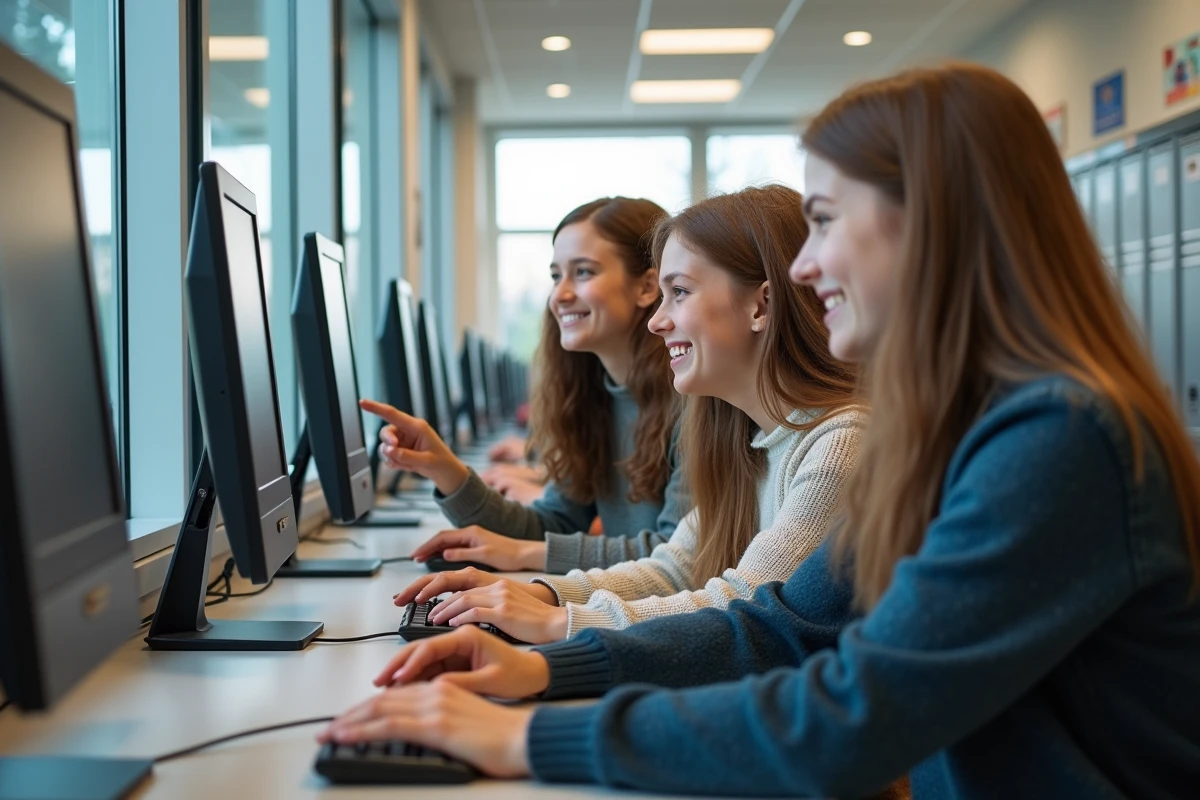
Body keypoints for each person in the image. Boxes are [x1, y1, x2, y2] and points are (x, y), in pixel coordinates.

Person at [321, 63, 1200, 798]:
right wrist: (551, 667)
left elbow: (850, 715)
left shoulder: (1058, 440)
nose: (806, 267)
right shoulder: (948, 434)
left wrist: (527, 738)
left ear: (930, 221)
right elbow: (783, 626)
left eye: (824, 221)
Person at [390, 186, 864, 645]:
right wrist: (538, 594)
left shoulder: (839, 444)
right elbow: (674, 567)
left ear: (761, 305)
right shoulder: (742, 435)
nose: (658, 320)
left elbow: (746, 611)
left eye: (680, 292)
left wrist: (560, 620)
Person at [361, 197, 688, 574]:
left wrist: (524, 555)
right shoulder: (590, 398)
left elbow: (675, 555)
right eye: (556, 276)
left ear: (646, 286)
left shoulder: (692, 401)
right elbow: (551, 525)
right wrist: (445, 470)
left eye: (583, 272)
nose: (560, 295)